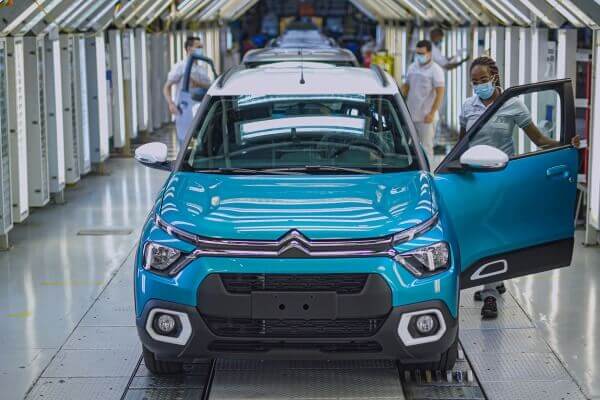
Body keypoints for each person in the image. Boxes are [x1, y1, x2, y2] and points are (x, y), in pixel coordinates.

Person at [459, 56, 580, 319]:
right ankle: (494, 278)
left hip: (502, 176)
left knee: (493, 230)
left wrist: (566, 144)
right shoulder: (468, 106)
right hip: (474, 178)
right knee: (479, 229)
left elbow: (539, 139)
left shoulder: (512, 104)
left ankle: (490, 293)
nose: (478, 86)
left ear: (494, 77)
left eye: (482, 80)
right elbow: (461, 144)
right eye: (474, 81)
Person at [163, 36, 212, 149]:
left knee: (200, 141)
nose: (201, 49)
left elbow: (210, 86)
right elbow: (166, 87)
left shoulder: (202, 68)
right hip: (185, 110)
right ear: (189, 49)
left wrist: (199, 84)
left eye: (201, 47)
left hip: (201, 109)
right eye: (198, 47)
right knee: (186, 142)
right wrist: (171, 103)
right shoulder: (180, 67)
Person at [401, 40, 445, 162]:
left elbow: (440, 93)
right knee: (408, 147)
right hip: (410, 115)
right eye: (417, 53)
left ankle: (427, 170)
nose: (419, 56)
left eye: (422, 53)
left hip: (426, 117)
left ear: (429, 53)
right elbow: (407, 86)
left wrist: (432, 113)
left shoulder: (436, 70)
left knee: (426, 148)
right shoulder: (412, 67)